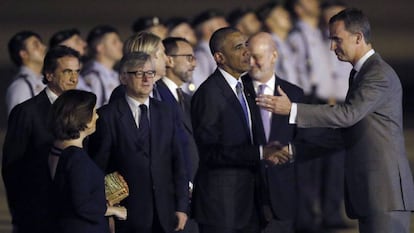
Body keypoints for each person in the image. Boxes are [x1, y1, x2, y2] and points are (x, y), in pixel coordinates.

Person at [257, 8, 414, 233]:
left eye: (337, 39)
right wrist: (292, 151)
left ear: (358, 38)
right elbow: (346, 134)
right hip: (372, 195)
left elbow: (347, 115)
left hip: (384, 194)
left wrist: (293, 110)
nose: (332, 47)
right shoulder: (359, 74)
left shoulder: (377, 74)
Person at [191, 27, 291, 233]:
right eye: (238, 47)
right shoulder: (209, 94)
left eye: (246, 44)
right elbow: (210, 152)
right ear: (220, 57)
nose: (247, 51)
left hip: (248, 205)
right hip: (222, 208)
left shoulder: (243, 87)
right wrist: (261, 152)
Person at [88, 52, 188, 233]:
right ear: (124, 77)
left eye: (150, 73)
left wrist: (181, 206)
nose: (146, 79)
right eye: (139, 73)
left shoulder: (166, 112)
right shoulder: (108, 115)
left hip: (165, 213)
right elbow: (99, 166)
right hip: (127, 213)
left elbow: (178, 161)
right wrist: (108, 210)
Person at [2, 45, 80, 233]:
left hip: (74, 214)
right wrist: (20, 213)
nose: (74, 78)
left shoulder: (82, 111)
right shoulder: (27, 112)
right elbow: (12, 166)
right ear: (49, 74)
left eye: (77, 71)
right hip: (37, 215)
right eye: (67, 71)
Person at [242, 32, 304, 233]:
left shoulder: (294, 94)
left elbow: (305, 142)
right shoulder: (236, 91)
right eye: (247, 56)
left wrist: (289, 152)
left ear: (274, 56)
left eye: (257, 57)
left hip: (282, 196)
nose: (251, 63)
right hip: (246, 195)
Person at [48, 90, 127, 233]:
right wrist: (114, 210)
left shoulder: (69, 153)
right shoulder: (76, 158)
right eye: (94, 112)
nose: (97, 116)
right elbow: (82, 205)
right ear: (82, 118)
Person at [159, 37, 199, 233]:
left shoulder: (188, 99)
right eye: (189, 57)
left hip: (190, 196)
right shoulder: (156, 94)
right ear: (169, 60)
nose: (194, 64)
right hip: (170, 196)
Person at [256, 2, 299, 86]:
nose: (287, 14)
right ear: (269, 22)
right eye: (280, 13)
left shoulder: (289, 43)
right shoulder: (267, 46)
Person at [6, 30, 47, 115]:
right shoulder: (21, 86)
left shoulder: (45, 80)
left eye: (41, 44)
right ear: (24, 54)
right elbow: (20, 124)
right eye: (36, 45)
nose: (44, 47)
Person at [82, 25, 123, 107]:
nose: (121, 44)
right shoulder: (93, 77)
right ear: (100, 48)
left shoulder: (115, 75)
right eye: (114, 42)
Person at [191, 9, 228, 92]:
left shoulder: (215, 52)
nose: (227, 26)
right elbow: (198, 86)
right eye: (221, 24)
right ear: (207, 29)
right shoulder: (200, 56)